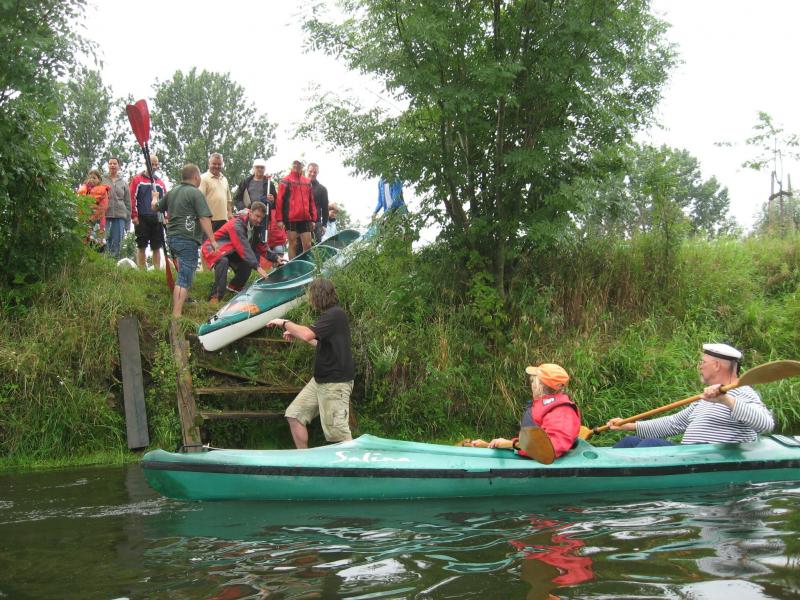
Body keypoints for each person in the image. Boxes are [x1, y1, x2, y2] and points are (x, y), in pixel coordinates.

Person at [607, 343, 775, 447]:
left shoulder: (743, 392)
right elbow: (673, 423)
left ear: (717, 365)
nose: (700, 366)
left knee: (650, 445)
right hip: (689, 454)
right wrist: (629, 425)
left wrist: (726, 400)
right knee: (629, 442)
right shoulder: (706, 398)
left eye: (703, 362)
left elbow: (766, 424)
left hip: (711, 460)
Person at [267, 278, 354, 449]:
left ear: (317, 296)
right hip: (320, 381)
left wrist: (283, 322)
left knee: (339, 433)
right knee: (295, 416)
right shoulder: (330, 315)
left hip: (335, 383)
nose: (310, 300)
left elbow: (307, 333)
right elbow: (317, 341)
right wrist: (297, 334)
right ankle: (304, 460)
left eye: (311, 295)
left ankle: (353, 464)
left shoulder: (335, 315)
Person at [470, 363, 581, 461]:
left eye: (533, 381)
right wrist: (490, 445)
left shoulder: (562, 412)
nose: (531, 385)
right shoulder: (547, 406)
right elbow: (534, 443)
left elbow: (549, 449)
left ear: (540, 387)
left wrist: (511, 444)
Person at [154, 164, 218, 318]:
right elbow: (204, 217)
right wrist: (213, 240)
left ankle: (185, 300)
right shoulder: (195, 193)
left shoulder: (172, 192)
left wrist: (155, 197)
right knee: (184, 277)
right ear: (196, 177)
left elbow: (155, 207)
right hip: (187, 239)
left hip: (172, 238)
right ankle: (176, 315)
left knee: (184, 273)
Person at [200, 201, 285, 303]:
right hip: (213, 247)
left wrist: (275, 257)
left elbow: (260, 246)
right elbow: (243, 247)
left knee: (247, 263)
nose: (259, 220)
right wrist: (257, 267)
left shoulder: (255, 226)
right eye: (257, 216)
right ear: (250, 212)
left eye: (261, 218)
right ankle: (215, 297)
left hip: (230, 250)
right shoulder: (237, 224)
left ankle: (233, 289)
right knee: (223, 261)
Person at [129, 155, 168, 270]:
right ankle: (142, 270)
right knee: (141, 245)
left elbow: (165, 201)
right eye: (152, 164)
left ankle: (157, 270)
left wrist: (166, 217)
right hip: (142, 217)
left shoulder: (160, 183)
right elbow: (132, 198)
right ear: (146, 163)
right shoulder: (137, 180)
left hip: (157, 219)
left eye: (156, 164)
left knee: (157, 246)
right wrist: (134, 215)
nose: (154, 166)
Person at [276, 159, 317, 259]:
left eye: (299, 164)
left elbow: (311, 201)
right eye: (295, 163)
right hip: (291, 218)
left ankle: (306, 265)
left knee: (308, 245)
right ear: (291, 165)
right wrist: (279, 219)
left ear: (302, 166)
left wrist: (313, 219)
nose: (296, 165)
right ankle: (293, 267)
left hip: (305, 218)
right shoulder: (285, 180)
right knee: (293, 244)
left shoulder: (307, 182)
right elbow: (279, 200)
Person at [233, 158, 276, 251]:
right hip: (247, 216)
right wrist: (244, 209)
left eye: (262, 167)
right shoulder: (245, 182)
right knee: (247, 239)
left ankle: (260, 257)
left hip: (263, 218)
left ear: (265, 169)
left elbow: (275, 204)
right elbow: (236, 199)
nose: (260, 169)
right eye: (257, 167)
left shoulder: (269, 184)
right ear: (253, 168)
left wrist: (272, 200)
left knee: (261, 241)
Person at [103, 157, 131, 258]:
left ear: (118, 166)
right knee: (103, 241)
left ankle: (113, 264)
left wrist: (128, 223)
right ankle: (102, 263)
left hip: (120, 216)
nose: (112, 165)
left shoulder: (123, 183)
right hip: (105, 215)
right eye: (110, 163)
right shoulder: (102, 180)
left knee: (117, 243)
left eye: (115, 163)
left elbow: (128, 203)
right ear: (108, 165)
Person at [199, 152, 232, 232]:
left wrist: (230, 213)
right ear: (209, 164)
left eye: (219, 164)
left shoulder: (224, 179)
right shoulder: (203, 178)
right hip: (209, 221)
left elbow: (229, 200)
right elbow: (199, 200)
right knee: (208, 240)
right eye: (214, 164)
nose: (217, 166)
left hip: (224, 220)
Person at [77, 169, 109, 250]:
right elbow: (78, 204)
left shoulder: (103, 191)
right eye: (90, 178)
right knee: (83, 240)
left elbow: (103, 207)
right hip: (84, 219)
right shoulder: (83, 189)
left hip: (97, 220)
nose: (92, 180)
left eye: (94, 178)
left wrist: (93, 216)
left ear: (99, 180)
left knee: (97, 243)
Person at [307, 162, 329, 243]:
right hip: (301, 223)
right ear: (307, 171)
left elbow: (325, 208)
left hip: (317, 224)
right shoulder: (299, 186)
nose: (312, 174)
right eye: (310, 171)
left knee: (315, 248)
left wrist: (324, 225)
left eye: (315, 172)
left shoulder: (322, 189)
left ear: (317, 173)